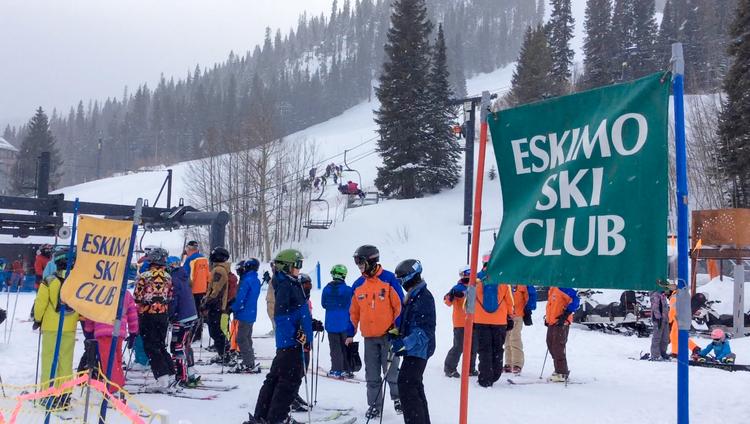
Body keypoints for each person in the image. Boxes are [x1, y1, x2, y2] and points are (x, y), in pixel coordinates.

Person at [244, 249, 312, 424]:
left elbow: (297, 313)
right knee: (288, 383)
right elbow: (281, 316)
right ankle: (277, 419)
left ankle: (262, 416)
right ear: (287, 266)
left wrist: (311, 324)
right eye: (297, 265)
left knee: (275, 379)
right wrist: (296, 334)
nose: (299, 268)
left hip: (290, 342)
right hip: (291, 344)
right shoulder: (286, 285)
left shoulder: (287, 283)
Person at [347, 245, 404, 419]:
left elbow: (399, 306)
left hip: (388, 336)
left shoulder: (389, 280)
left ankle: (398, 398)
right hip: (369, 338)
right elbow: (353, 312)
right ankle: (374, 405)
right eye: (356, 262)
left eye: (360, 262)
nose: (358, 266)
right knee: (371, 374)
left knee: (392, 371)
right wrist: (351, 333)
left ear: (371, 261)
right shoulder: (358, 285)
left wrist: (397, 329)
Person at [33, 248, 79, 409]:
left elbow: (40, 303)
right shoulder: (76, 282)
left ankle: (48, 393)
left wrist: (38, 319)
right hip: (70, 326)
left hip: (52, 326)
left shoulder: (49, 281)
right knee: (65, 361)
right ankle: (65, 394)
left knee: (49, 360)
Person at [391, 260, 435, 424]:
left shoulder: (423, 298)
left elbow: (423, 331)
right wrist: (397, 333)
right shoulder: (414, 295)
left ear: (410, 277)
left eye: (401, 280)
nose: (401, 284)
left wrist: (405, 343)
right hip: (415, 349)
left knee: (407, 386)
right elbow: (411, 323)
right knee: (414, 385)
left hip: (419, 349)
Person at [134, 247, 175, 392]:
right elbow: (170, 296)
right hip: (163, 314)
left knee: (151, 346)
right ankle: (170, 373)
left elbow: (137, 297)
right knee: (161, 345)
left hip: (148, 314)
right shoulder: (168, 276)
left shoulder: (144, 276)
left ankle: (162, 377)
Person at [83, 290, 138, 394]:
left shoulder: (100, 290)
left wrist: (89, 329)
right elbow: (132, 312)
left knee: (108, 360)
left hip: (103, 328)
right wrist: (133, 331)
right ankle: (119, 384)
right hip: (118, 329)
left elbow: (91, 311)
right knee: (117, 358)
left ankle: (113, 389)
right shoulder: (125, 293)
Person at [473, 273, 514, 387]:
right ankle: (495, 374)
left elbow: (468, 302)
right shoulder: (504, 280)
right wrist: (510, 316)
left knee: (484, 350)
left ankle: (485, 377)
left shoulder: (476, 281)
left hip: (481, 321)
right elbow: (510, 301)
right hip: (499, 321)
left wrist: (471, 319)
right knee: (497, 349)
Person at [166, 256, 201, 386]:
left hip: (181, 317)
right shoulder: (183, 276)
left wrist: (170, 314)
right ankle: (190, 371)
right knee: (185, 345)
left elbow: (174, 300)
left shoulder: (174, 280)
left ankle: (182, 375)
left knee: (177, 346)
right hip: (191, 314)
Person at [443, 265, 478, 378]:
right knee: (459, 346)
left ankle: (470, 368)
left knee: (473, 346)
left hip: (475, 322)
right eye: (466, 273)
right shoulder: (457, 288)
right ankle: (450, 368)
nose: (468, 275)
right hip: (461, 323)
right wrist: (452, 295)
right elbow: (447, 302)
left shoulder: (476, 286)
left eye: (470, 272)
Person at [321, 264, 354, 378]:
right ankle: (347, 369)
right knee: (345, 347)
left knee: (335, 348)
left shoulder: (327, 289)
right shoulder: (348, 290)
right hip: (345, 323)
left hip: (331, 323)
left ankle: (336, 369)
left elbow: (324, 304)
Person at [231, 258, 262, 373]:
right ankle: (250, 361)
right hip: (251, 313)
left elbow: (241, 298)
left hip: (244, 313)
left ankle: (248, 363)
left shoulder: (247, 280)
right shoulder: (255, 279)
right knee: (247, 337)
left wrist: (233, 307)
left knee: (241, 339)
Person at [201, 247, 232, 364]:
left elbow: (216, 289)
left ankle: (224, 354)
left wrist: (207, 302)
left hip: (216, 305)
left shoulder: (218, 270)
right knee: (217, 331)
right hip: (218, 305)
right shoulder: (221, 269)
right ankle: (223, 353)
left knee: (215, 331)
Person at [544, 287, 580, 382]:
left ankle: (562, 372)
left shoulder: (565, 288)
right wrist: (547, 318)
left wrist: (566, 313)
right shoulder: (552, 289)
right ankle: (558, 369)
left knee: (558, 346)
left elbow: (576, 300)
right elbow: (552, 305)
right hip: (552, 322)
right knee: (550, 344)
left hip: (562, 322)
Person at [503, 284, 537, 374]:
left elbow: (530, 297)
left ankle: (517, 364)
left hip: (517, 315)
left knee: (514, 338)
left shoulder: (523, 284)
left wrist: (527, 309)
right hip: (506, 315)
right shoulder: (506, 283)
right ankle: (508, 363)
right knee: (507, 339)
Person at [183, 240, 210, 343]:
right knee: (200, 313)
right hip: (203, 290)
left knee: (193, 314)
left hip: (193, 290)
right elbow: (208, 275)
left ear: (189, 249)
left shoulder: (190, 260)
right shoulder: (203, 259)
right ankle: (198, 333)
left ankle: (193, 334)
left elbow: (185, 275)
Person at [668, 289, 699, 357]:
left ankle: (695, 348)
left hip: (678, 319)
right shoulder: (681, 295)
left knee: (678, 336)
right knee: (675, 336)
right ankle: (675, 352)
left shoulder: (674, 297)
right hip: (682, 318)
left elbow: (673, 310)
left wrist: (669, 321)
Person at [649, 289, 671, 361]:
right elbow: (655, 307)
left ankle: (662, 352)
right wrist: (658, 318)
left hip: (665, 318)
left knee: (665, 337)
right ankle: (655, 355)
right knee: (657, 337)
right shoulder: (656, 294)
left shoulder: (662, 294)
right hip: (659, 319)